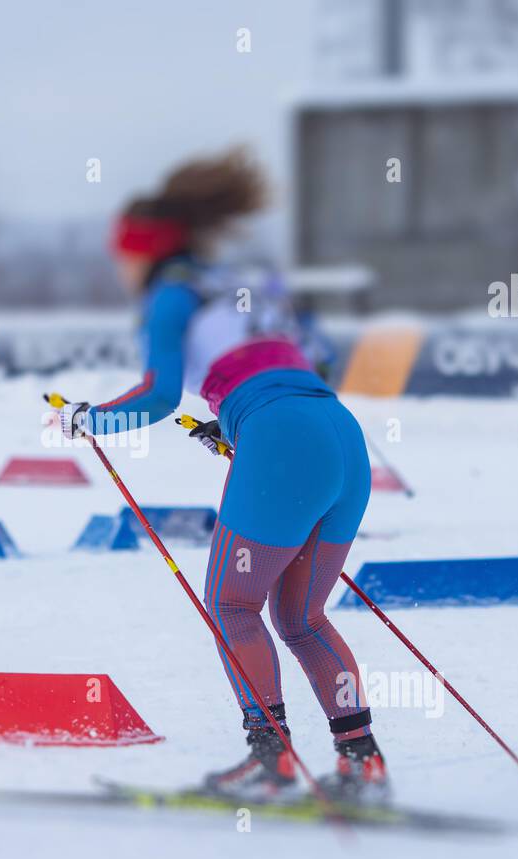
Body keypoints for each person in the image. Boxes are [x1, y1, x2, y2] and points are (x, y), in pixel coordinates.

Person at [55, 148, 387, 802]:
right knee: (303, 617)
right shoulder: (251, 283)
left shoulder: (170, 295)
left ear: (144, 250)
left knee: (233, 605)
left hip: (280, 438)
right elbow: (306, 357)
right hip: (338, 433)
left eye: (121, 254)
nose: (120, 266)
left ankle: (272, 765)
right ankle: (362, 766)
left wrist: (89, 419)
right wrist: (238, 424)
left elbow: (157, 395)